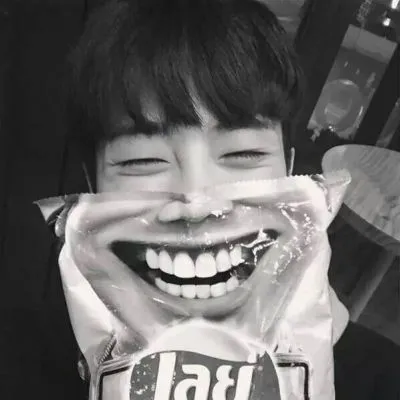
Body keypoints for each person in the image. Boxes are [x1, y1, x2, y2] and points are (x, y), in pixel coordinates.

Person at [3, 0, 399, 399]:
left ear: (290, 171)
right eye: (142, 160)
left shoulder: (379, 377)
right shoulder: (29, 357)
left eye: (243, 153)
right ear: (92, 190)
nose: (197, 202)